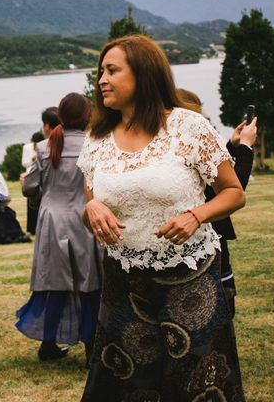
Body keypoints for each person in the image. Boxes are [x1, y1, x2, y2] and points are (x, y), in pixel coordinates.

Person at [78, 35, 246, 401]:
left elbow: (234, 193)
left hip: (189, 278)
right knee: (129, 381)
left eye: (112, 70)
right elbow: (91, 207)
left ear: (144, 74)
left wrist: (197, 215)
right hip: (123, 281)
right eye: (100, 72)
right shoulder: (97, 137)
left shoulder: (188, 127)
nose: (102, 79)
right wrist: (91, 209)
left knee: (193, 377)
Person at [16, 92, 102, 364]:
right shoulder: (97, 145)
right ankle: (92, 350)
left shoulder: (44, 147)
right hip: (86, 218)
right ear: (88, 116)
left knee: (53, 282)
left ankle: (49, 345)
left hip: (52, 220)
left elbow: (29, 187)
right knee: (90, 283)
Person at [178, 88, 257, 317]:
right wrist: (246, 146)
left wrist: (231, 145)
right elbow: (233, 188)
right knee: (217, 310)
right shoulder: (191, 145)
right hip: (208, 240)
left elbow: (214, 172)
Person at [22, 131, 45, 234]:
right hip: (31, 175)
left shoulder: (44, 146)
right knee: (31, 201)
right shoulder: (27, 148)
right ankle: (31, 228)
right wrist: (32, 159)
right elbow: (24, 163)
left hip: (42, 175)